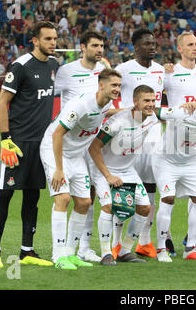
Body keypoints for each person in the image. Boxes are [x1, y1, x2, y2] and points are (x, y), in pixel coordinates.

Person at [0, 21, 59, 269]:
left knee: (33, 195)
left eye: (55, 38)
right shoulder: (20, 66)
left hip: (42, 144)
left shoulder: (53, 66)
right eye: (48, 39)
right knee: (5, 194)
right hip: (17, 143)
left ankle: (27, 250)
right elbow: (1, 102)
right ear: (35, 41)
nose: (53, 43)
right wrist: (5, 139)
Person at [40, 69, 121, 270]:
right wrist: (59, 169)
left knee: (84, 202)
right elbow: (57, 134)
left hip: (75, 155)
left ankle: (71, 253)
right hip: (55, 151)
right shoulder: (81, 104)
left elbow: (105, 112)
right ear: (101, 85)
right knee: (63, 198)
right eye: (114, 85)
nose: (117, 89)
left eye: (119, 86)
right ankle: (58, 256)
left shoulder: (107, 103)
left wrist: (127, 110)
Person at [53, 31, 111, 263]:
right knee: (70, 197)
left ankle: (84, 248)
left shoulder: (104, 70)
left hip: (91, 140)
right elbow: (50, 96)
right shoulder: (66, 71)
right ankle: (64, 250)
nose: (99, 49)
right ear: (82, 47)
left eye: (102, 45)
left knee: (90, 195)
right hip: (69, 142)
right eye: (95, 45)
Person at [89, 85, 158, 265]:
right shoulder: (117, 122)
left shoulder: (152, 118)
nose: (151, 104)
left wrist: (191, 105)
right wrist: (108, 176)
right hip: (105, 169)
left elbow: (172, 113)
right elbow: (94, 148)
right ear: (135, 102)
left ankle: (125, 251)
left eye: (153, 100)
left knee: (144, 208)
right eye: (146, 101)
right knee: (109, 206)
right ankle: (106, 254)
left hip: (128, 171)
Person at [113, 29, 165, 259]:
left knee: (150, 184)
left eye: (154, 43)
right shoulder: (123, 70)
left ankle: (144, 241)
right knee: (126, 186)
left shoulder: (161, 70)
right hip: (128, 132)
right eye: (147, 44)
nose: (152, 47)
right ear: (136, 47)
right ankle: (116, 243)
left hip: (153, 132)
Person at [154, 90, 196, 262]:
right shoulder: (183, 112)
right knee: (168, 198)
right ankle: (161, 249)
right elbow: (154, 111)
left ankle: (190, 248)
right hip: (166, 161)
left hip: (190, 163)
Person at [163, 31, 196, 256]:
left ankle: (192, 242)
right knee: (167, 195)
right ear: (179, 49)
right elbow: (151, 92)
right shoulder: (169, 73)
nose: (195, 48)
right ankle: (166, 239)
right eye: (190, 45)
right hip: (173, 142)